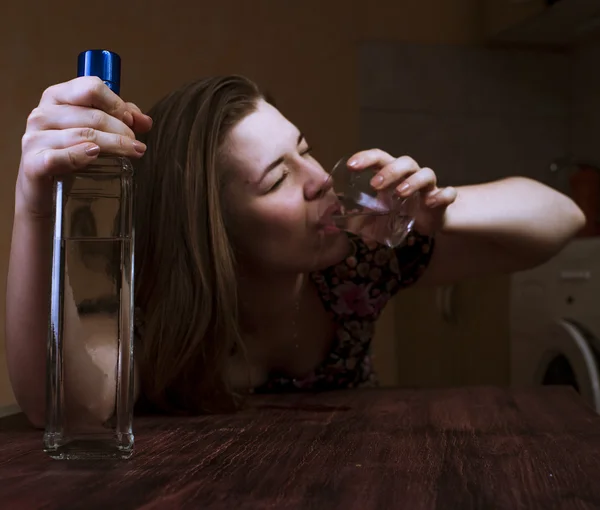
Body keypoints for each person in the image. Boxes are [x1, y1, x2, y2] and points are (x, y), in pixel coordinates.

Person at [6, 75, 585, 426]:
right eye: (277, 179)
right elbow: (56, 409)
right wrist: (32, 199)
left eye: (305, 149)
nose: (320, 179)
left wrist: (440, 213)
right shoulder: (154, 311)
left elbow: (561, 218)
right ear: (216, 232)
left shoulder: (361, 259)